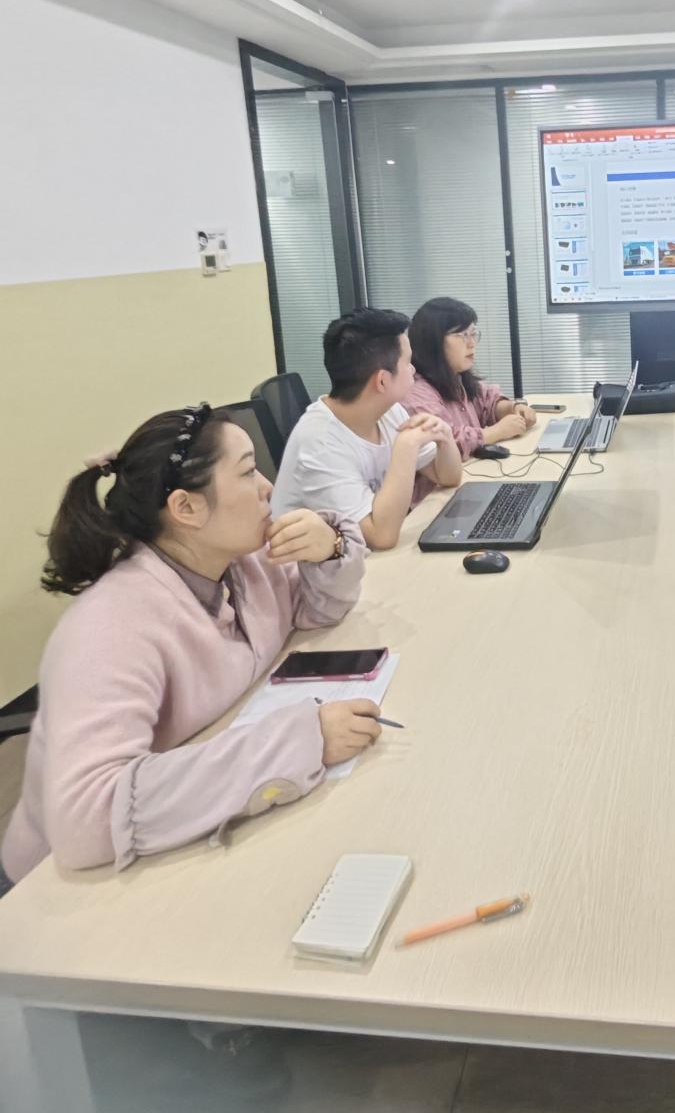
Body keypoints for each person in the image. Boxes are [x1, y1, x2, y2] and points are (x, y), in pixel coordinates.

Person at [0, 405, 377, 890]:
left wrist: (330, 549)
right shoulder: (109, 626)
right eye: (248, 472)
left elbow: (314, 611)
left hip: (181, 827)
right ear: (186, 508)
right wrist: (299, 741)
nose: (268, 487)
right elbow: (86, 818)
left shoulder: (239, 562)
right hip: (60, 890)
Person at [271, 306, 463, 549]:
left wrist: (445, 438)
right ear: (382, 381)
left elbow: (448, 477)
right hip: (311, 570)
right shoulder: (319, 441)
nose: (413, 370)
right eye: (408, 362)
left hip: (360, 560)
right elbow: (380, 537)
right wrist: (406, 447)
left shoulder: (389, 411)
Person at [404, 298, 537, 468]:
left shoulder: (457, 376)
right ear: (433, 341)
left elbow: (487, 402)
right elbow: (443, 444)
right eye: (463, 335)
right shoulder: (416, 391)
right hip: (442, 484)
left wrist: (512, 408)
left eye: (473, 333)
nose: (472, 343)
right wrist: (496, 432)